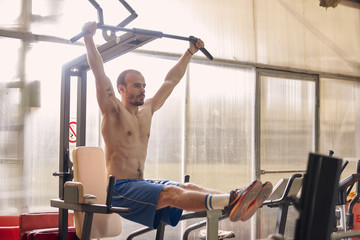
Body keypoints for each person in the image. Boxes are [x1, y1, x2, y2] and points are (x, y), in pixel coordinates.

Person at [83, 21, 273, 229]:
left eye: (144, 85)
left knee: (187, 186)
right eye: (137, 86)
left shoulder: (148, 109)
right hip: (119, 189)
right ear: (121, 89)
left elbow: (170, 81)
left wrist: (190, 52)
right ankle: (233, 200)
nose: (143, 90)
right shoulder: (113, 111)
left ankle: (236, 199)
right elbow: (99, 73)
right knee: (173, 194)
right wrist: (89, 39)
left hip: (140, 182)